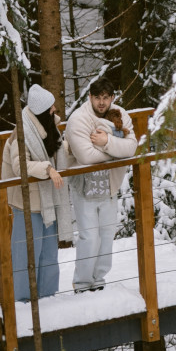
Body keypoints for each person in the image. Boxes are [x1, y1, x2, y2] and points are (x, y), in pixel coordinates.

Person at [64, 73, 136, 293]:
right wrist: (115, 150)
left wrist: (106, 142)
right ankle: (82, 283)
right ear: (90, 97)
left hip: (109, 185)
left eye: (106, 97)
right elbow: (85, 156)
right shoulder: (79, 119)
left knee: (106, 234)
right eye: (97, 97)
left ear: (113, 97)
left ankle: (99, 279)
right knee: (89, 235)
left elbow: (131, 148)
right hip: (84, 186)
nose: (102, 102)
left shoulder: (121, 115)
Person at [2, 83, 67, 300]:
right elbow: (21, 166)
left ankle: (48, 297)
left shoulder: (49, 129)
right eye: (51, 108)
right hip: (27, 202)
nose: (54, 110)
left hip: (48, 200)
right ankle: (22, 301)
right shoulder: (21, 134)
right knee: (26, 255)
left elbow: (58, 152)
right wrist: (48, 169)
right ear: (41, 111)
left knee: (49, 253)